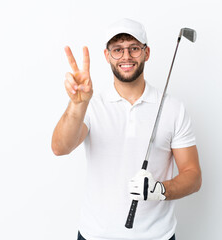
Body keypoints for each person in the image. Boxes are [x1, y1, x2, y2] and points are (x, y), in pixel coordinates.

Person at [51, 18, 202, 240]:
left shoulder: (173, 108)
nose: (126, 57)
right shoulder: (91, 106)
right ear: (106, 56)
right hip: (95, 235)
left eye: (134, 48)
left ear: (146, 52)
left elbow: (193, 175)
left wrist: (161, 190)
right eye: (117, 50)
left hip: (157, 236)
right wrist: (77, 103)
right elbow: (60, 147)